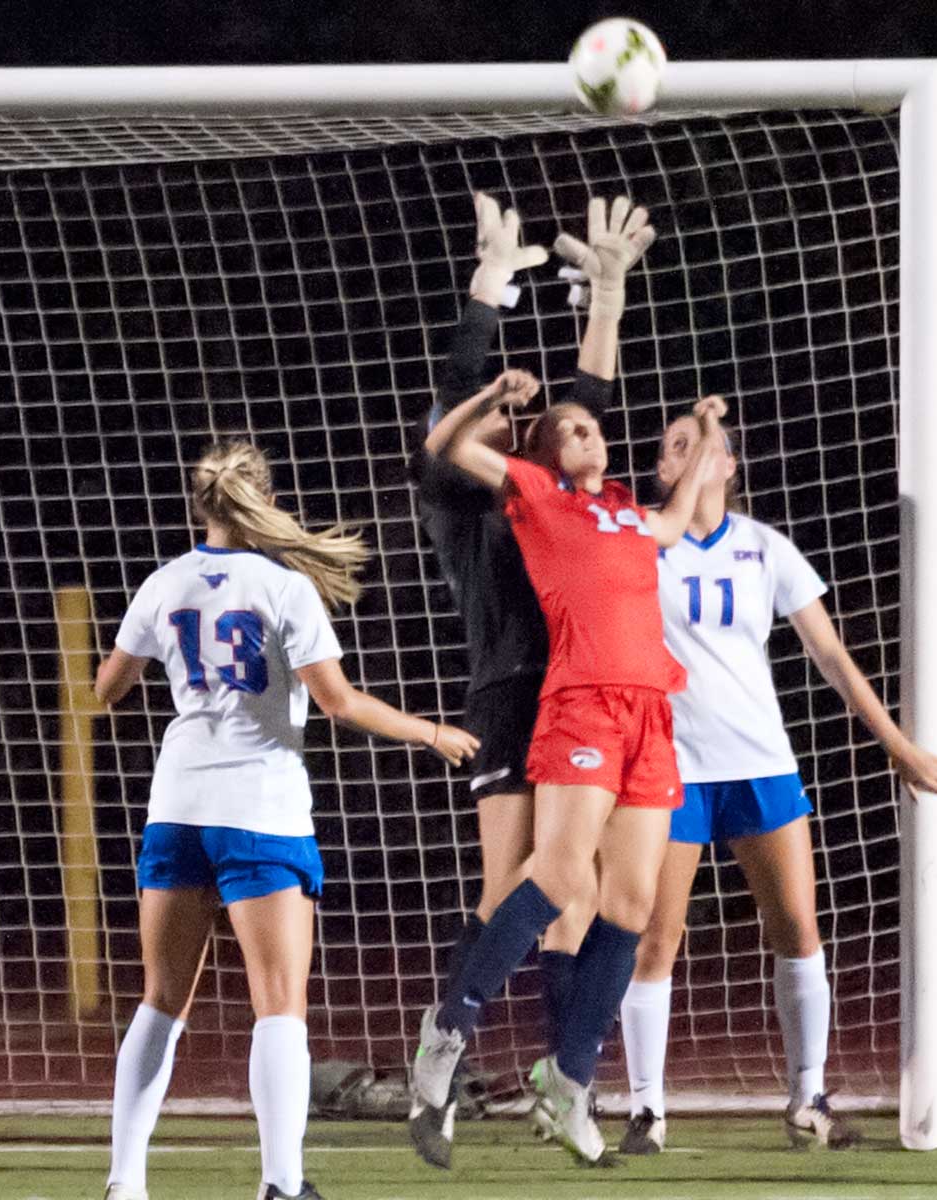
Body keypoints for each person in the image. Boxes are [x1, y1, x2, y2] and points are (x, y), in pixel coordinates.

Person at [93, 440, 477, 1200]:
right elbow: (338, 701)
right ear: (264, 501)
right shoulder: (284, 587)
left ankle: (124, 1183)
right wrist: (431, 732)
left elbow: (108, 688)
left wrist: (147, 659)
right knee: (278, 1006)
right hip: (260, 812)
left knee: (160, 1002)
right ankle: (280, 1184)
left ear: (198, 508)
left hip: (177, 809)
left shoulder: (163, 583)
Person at [406, 360, 729, 1168]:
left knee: (632, 902)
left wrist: (708, 431)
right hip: (581, 703)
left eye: (595, 427)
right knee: (554, 877)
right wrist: (490, 400)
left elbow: (678, 516)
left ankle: (570, 1077)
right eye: (573, 430)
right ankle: (450, 1026)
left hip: (650, 714)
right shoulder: (537, 495)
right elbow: (446, 448)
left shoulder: (625, 510)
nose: (592, 434)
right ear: (547, 454)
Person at [614, 410, 937, 1155]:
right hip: (672, 767)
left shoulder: (765, 548)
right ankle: (647, 1110)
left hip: (762, 763)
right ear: (664, 473)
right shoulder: (642, 542)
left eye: (701, 442)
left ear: (728, 465)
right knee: (656, 939)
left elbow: (830, 655)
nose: (687, 451)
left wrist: (896, 744)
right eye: (672, 447)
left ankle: (807, 1098)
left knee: (798, 930)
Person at [408, 192, 650, 1071]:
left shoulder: (548, 495)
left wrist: (609, 299)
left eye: (517, 426)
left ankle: (563, 1072)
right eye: (499, 423)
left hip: (580, 698)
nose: (511, 428)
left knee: (578, 890)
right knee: (512, 881)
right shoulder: (460, 499)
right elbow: (448, 418)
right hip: (512, 695)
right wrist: (488, 291)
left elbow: (586, 406)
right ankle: (448, 1054)